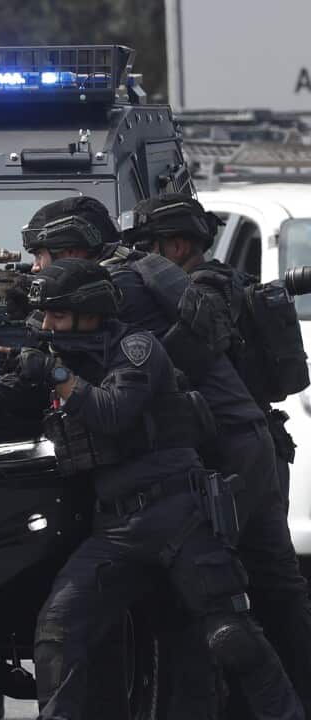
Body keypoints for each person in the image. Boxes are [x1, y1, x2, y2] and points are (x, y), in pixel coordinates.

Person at [0, 258, 303, 720]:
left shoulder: (137, 348)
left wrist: (54, 373)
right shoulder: (61, 358)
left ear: (88, 311)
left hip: (180, 513)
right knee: (58, 630)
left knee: (231, 636)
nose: (47, 325)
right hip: (116, 527)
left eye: (56, 315)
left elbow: (114, 412)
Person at [126, 193, 311, 716]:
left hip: (231, 458)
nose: (141, 259)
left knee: (213, 591)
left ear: (178, 245)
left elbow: (171, 364)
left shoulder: (204, 296)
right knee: (277, 586)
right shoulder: (232, 285)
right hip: (259, 448)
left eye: (149, 248)